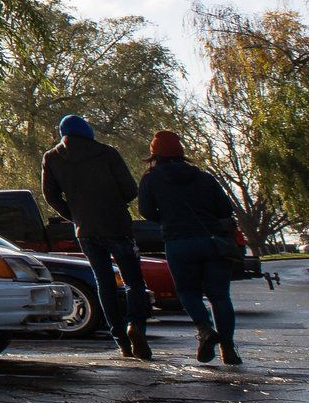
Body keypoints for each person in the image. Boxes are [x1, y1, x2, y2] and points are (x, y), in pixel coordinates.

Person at [40, 113, 152, 360]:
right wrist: (112, 204)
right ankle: (136, 326)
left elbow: (50, 195)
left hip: (86, 230)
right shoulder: (107, 152)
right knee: (133, 282)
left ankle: (120, 339)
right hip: (117, 226)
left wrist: (75, 214)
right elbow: (130, 190)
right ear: (87, 131)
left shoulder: (52, 157)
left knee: (104, 283)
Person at [139, 130, 244, 365]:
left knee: (188, 292)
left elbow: (146, 211)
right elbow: (225, 209)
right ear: (181, 152)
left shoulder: (151, 178)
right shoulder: (204, 177)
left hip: (179, 242)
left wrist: (168, 218)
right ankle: (229, 349)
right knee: (220, 296)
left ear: (154, 154)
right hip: (213, 241)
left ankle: (204, 329)